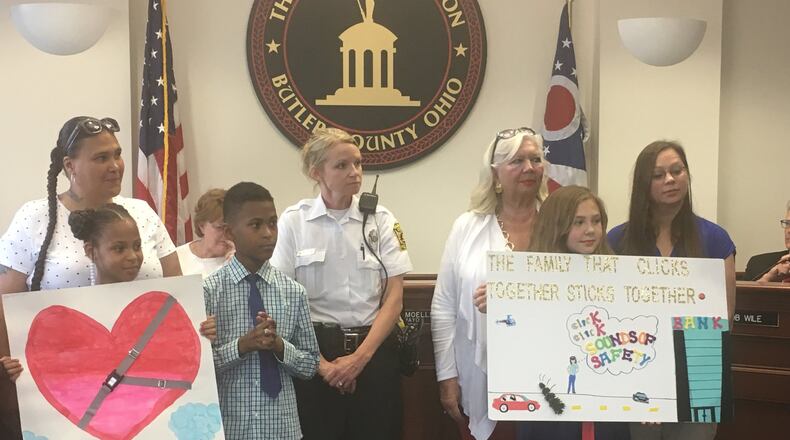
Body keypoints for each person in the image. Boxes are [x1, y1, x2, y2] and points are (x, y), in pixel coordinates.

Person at [0, 116, 181, 438]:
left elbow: (177, 294)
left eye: (117, 154)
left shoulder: (141, 213)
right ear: (70, 165)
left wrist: (197, 327)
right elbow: (6, 301)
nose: (115, 165)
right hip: (61, 384)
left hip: (144, 375)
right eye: (101, 157)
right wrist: (6, 368)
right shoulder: (35, 216)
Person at [270, 128, 413, 440]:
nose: (354, 173)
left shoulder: (382, 220)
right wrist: (322, 365)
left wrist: (358, 360)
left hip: (373, 352)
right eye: (342, 165)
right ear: (316, 172)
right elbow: (282, 300)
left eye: (358, 164)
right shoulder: (294, 222)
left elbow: (394, 298)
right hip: (314, 354)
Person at [1, 203, 215, 383]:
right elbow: (49, 366)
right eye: (119, 248)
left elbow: (177, 355)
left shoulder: (159, 310)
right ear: (90, 251)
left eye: (137, 246)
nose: (133, 256)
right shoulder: (69, 316)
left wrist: (202, 331)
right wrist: (18, 368)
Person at [607, 140, 735, 440]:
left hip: (697, 370)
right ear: (643, 184)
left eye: (677, 170)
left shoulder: (715, 238)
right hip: (634, 370)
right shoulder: (617, 241)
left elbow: (725, 313)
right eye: (658, 174)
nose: (670, 179)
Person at [432, 127, 548, 439]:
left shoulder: (559, 224)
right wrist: (446, 376)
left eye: (535, 159)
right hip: (480, 374)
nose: (529, 168)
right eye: (516, 160)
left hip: (548, 376)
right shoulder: (467, 227)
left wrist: (513, 299)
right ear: (495, 173)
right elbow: (444, 307)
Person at [204, 182, 319, 440]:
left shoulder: (293, 292)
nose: (268, 233)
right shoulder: (209, 291)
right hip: (229, 428)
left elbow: (311, 364)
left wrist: (280, 346)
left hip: (282, 429)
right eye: (255, 225)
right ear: (230, 232)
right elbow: (199, 368)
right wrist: (242, 346)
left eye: (272, 223)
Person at [176, 188, 233, 278]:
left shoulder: (239, 262)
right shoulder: (177, 258)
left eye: (230, 228)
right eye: (220, 227)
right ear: (201, 226)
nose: (226, 234)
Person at [743, 200, 790, 282]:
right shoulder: (758, 263)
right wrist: (767, 279)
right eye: (787, 223)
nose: (788, 230)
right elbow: (746, 294)